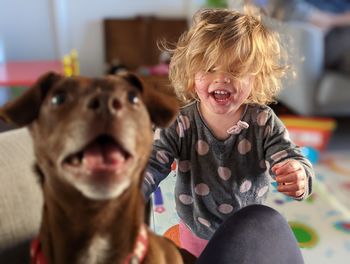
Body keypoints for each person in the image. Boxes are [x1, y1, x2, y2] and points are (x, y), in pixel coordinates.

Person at [143, 7, 313, 262]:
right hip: (195, 232)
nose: (222, 78)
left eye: (235, 70)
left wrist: (298, 173)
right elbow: (153, 162)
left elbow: (290, 156)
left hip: (246, 232)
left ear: (256, 77)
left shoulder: (263, 121)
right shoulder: (180, 122)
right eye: (209, 68)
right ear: (191, 74)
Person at [265, 0, 350, 75]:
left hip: (335, 29)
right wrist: (328, 21)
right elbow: (289, 8)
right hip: (314, 34)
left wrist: (331, 21)